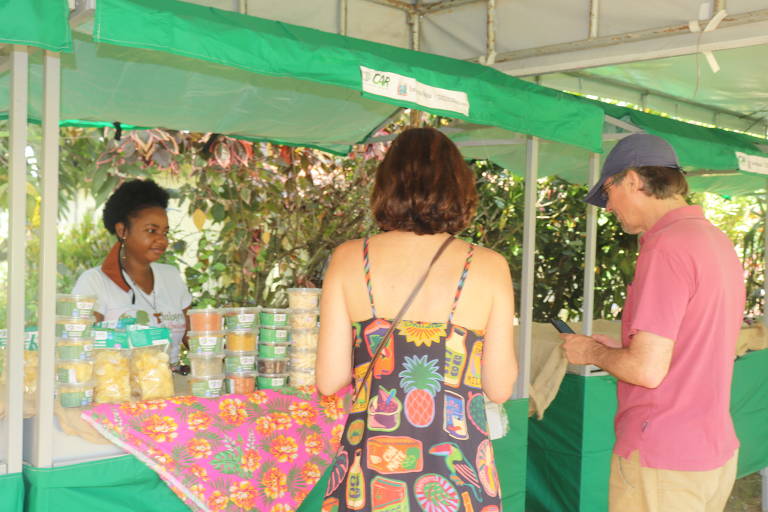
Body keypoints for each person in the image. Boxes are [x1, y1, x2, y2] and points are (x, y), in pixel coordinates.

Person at [316, 127, 517, 511]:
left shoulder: (348, 257)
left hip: (371, 471)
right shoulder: (490, 266)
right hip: (459, 473)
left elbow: (329, 380)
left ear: (386, 185)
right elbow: (499, 388)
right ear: (459, 187)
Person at [562, 134, 745, 512]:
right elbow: (688, 347)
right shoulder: (716, 240)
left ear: (633, 180)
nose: (608, 205)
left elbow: (646, 370)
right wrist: (619, 351)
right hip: (712, 450)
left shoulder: (666, 247)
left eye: (608, 191)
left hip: (663, 454)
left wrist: (591, 351)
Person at [72, 179, 192, 366]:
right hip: (119, 388)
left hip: (171, 388)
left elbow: (196, 339)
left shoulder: (172, 277)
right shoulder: (95, 282)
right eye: (152, 231)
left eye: (165, 232)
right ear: (122, 230)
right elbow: (78, 347)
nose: (162, 240)